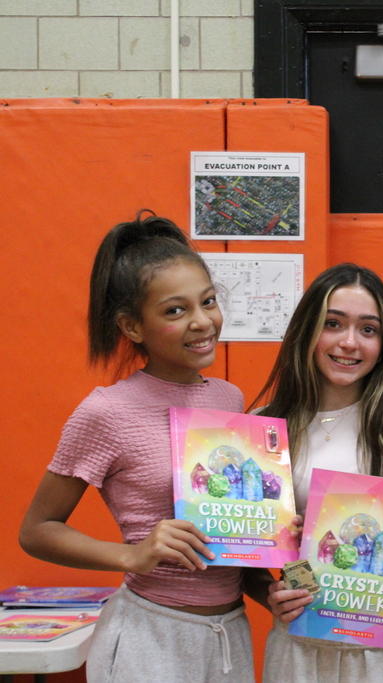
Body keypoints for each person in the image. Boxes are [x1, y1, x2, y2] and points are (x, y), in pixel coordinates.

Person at [19, 212, 255, 683]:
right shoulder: (106, 412)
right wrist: (132, 554)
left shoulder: (229, 399)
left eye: (208, 302)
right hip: (150, 637)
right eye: (175, 310)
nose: (202, 321)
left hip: (230, 633)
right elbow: (37, 530)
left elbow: (232, 520)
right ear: (131, 327)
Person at [245, 263, 383, 683]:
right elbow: (252, 552)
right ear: (307, 331)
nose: (349, 343)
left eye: (368, 330)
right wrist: (271, 596)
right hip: (303, 646)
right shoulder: (265, 428)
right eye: (333, 324)